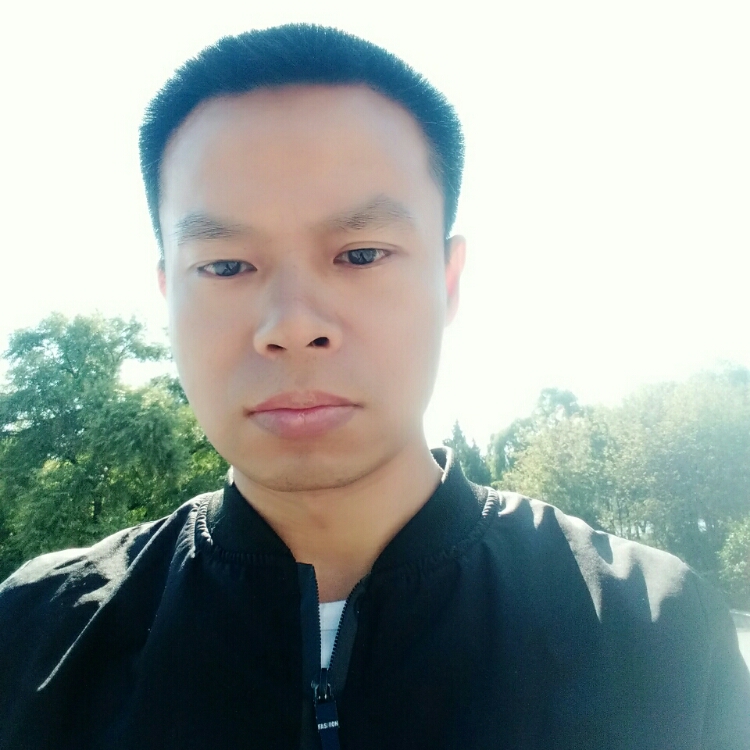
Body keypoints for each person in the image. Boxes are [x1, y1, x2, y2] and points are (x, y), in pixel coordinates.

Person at [0, 24, 747, 750]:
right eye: (225, 266)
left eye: (360, 254)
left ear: (447, 281)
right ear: (168, 293)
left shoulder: (651, 633)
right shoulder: (35, 637)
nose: (293, 326)